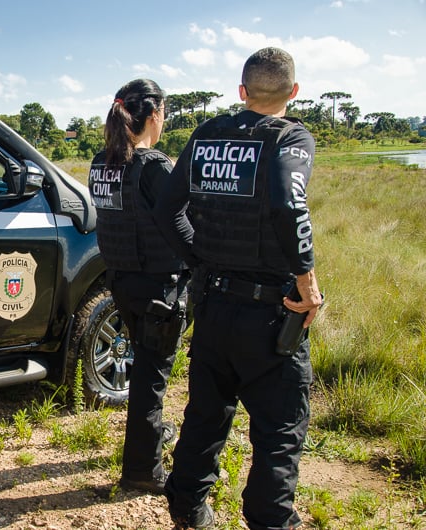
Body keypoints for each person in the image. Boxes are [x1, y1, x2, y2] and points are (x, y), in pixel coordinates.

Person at [154, 47, 323, 529]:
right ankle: (271, 521)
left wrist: (201, 262)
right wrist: (307, 283)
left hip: (213, 307)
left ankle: (186, 506)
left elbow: (168, 210)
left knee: (206, 414)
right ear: (293, 92)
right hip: (270, 314)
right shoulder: (291, 137)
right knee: (279, 431)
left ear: (242, 91)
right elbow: (290, 209)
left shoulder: (207, 135)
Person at [87, 78, 190, 495]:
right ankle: (142, 471)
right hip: (158, 291)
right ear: (152, 115)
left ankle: (144, 446)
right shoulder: (153, 166)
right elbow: (179, 224)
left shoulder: (101, 161)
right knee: (151, 379)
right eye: (163, 113)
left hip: (123, 285)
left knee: (145, 371)